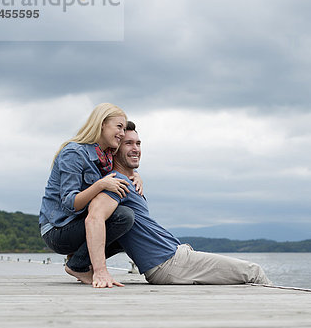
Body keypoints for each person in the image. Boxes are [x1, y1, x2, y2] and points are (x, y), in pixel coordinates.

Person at [85, 122, 272, 287]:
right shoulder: (116, 182)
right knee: (253, 272)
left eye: (138, 143)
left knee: (250, 273)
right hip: (168, 263)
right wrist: (99, 270)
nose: (136, 148)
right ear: (115, 149)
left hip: (175, 256)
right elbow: (94, 217)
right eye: (128, 143)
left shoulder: (128, 181)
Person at [39, 103, 143, 288]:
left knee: (132, 226)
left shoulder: (106, 156)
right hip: (57, 229)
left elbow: (122, 171)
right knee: (123, 217)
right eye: (118, 126)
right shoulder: (74, 153)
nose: (121, 132)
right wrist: (100, 185)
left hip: (78, 223)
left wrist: (136, 176)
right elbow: (70, 203)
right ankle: (79, 265)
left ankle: (78, 260)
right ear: (102, 124)